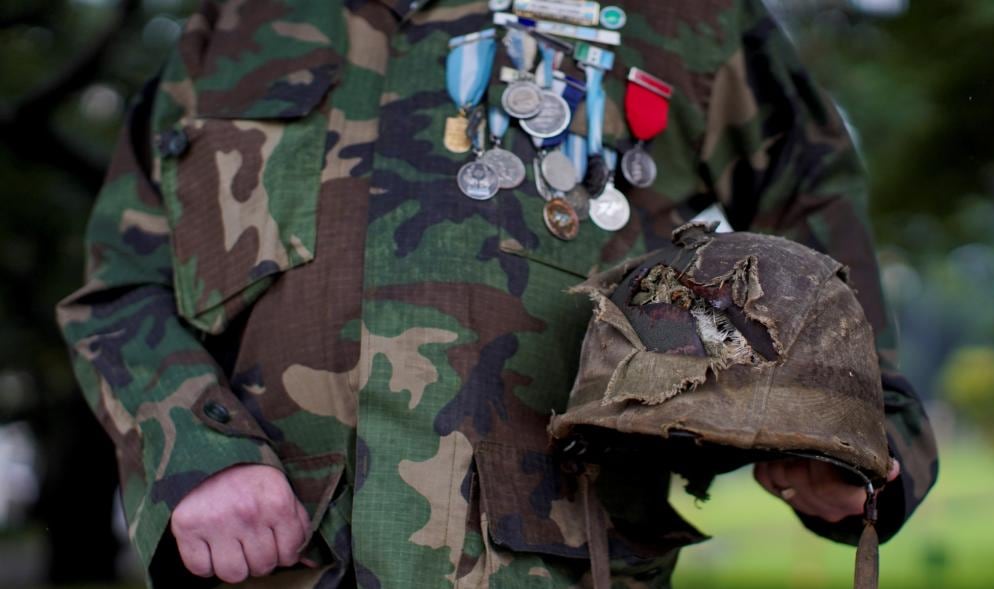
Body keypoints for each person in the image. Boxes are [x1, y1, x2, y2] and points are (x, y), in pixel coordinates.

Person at [56, 0, 938, 587]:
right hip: (275, 570)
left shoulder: (685, 16)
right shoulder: (230, 31)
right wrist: (197, 451)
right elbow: (124, 286)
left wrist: (859, 436)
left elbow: (814, 198)